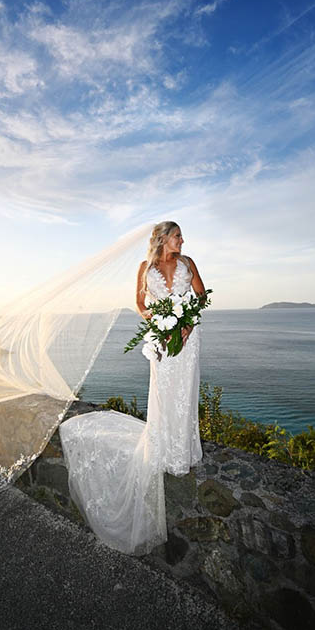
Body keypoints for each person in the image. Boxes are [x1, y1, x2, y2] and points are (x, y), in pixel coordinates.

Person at [60, 221, 206, 555]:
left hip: (188, 338)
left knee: (185, 392)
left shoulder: (188, 264)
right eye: (177, 236)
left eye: (181, 236)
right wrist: (158, 320)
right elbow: (140, 304)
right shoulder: (145, 268)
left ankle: (182, 449)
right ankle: (163, 446)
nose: (182, 240)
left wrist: (186, 324)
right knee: (164, 391)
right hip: (162, 335)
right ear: (163, 239)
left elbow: (200, 297)